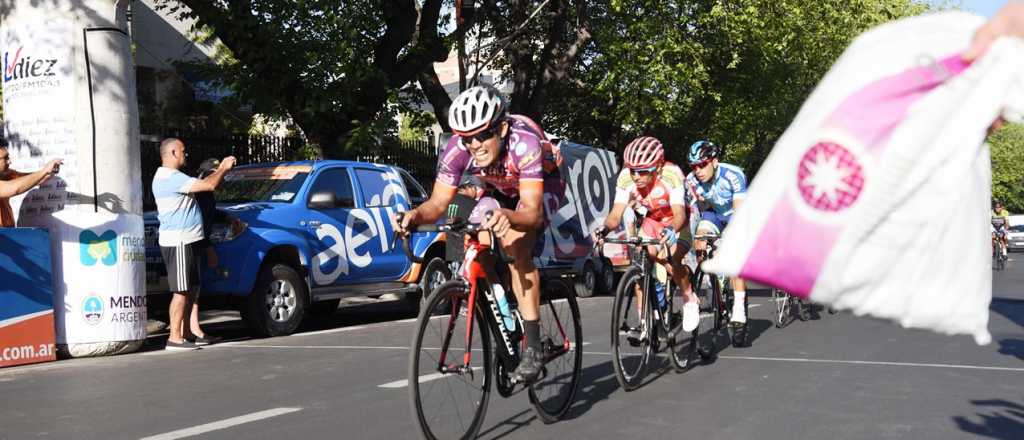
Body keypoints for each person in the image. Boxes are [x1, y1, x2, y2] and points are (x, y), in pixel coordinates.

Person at [392, 85, 563, 383]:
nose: (475, 145)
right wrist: (413, 216)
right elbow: (438, 203)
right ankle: (505, 309)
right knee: (476, 237)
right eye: (467, 138)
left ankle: (533, 347)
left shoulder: (524, 144)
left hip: (542, 186)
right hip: (500, 185)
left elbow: (532, 212)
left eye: (482, 135)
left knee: (516, 246)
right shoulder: (458, 149)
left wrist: (509, 217)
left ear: (502, 128)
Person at [595, 136, 699, 335]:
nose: (636, 176)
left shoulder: (671, 174)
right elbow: (615, 214)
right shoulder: (626, 177)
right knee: (641, 263)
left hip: (681, 217)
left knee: (669, 258)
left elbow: (679, 215)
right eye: (632, 170)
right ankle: (646, 322)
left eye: (643, 171)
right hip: (654, 218)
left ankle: (689, 298)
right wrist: (604, 229)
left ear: (658, 167)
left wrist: (671, 230)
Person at [152, 138, 235, 350]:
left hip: (189, 240)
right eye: (182, 150)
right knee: (181, 292)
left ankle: (187, 334)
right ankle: (174, 338)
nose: (185, 154)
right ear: (172, 152)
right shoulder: (170, 177)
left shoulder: (173, 176)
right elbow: (209, 184)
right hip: (179, 242)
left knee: (190, 290)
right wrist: (224, 168)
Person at [685, 140, 750, 326]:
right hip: (714, 214)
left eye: (702, 165)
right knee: (700, 242)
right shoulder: (691, 180)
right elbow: (689, 210)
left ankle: (739, 307)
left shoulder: (733, 175)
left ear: (714, 162)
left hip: (735, 213)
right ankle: (716, 286)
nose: (698, 170)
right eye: (694, 166)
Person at [184, 158, 228, 346]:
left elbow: (210, 212)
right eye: (216, 174)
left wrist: (227, 217)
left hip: (197, 242)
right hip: (193, 242)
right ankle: (190, 330)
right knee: (189, 289)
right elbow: (198, 220)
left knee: (195, 288)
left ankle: (193, 329)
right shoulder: (201, 192)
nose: (221, 178)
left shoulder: (207, 194)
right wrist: (208, 247)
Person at [0, 144, 63, 227]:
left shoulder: (6, 173)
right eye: (5, 158)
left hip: (9, 231)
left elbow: (32, 180)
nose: (9, 162)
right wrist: (44, 171)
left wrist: (49, 173)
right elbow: (15, 189)